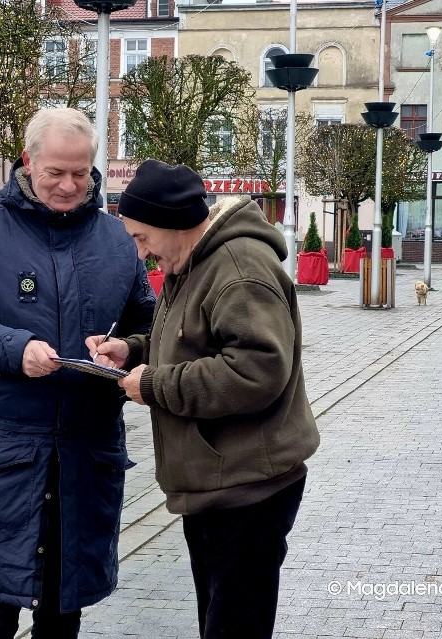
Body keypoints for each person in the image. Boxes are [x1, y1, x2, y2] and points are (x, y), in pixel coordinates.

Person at [0, 108, 155, 639]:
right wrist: (13, 348)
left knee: (63, 607)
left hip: (86, 450)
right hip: (7, 450)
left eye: (81, 172)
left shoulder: (116, 239)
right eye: (56, 172)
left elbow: (150, 321)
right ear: (28, 163)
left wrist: (126, 346)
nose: (70, 185)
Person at [89, 159, 320, 639]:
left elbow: (257, 370)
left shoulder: (238, 269)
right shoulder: (193, 261)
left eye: (141, 237)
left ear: (172, 224)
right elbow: (188, 336)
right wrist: (131, 349)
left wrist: (154, 384)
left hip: (249, 487)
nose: (141, 252)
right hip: (219, 484)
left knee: (233, 627)